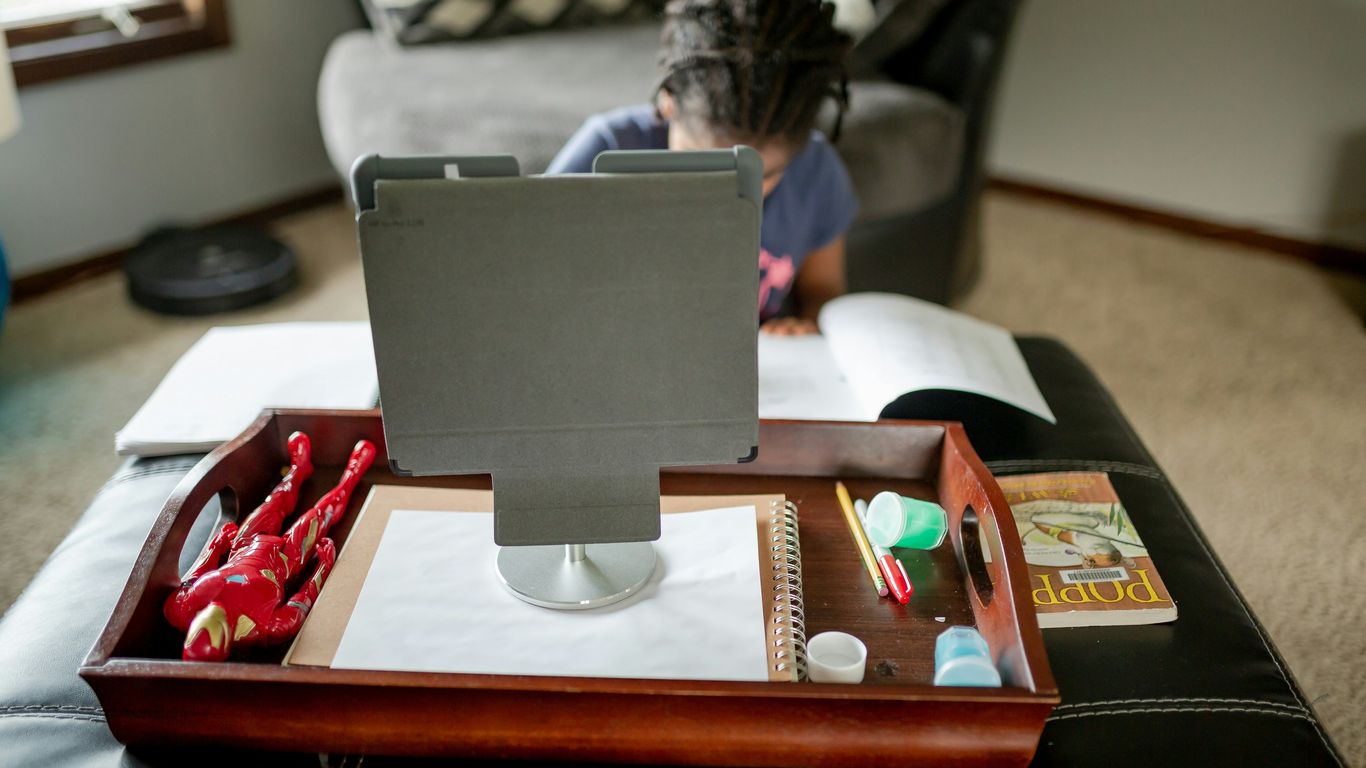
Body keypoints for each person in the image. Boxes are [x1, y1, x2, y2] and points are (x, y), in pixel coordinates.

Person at [545, 0, 858, 335]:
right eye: (699, 163)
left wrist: (807, 326)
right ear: (668, 103)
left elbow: (822, 291)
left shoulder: (816, 172)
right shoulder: (606, 148)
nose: (719, 191)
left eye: (753, 178)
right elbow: (531, 264)